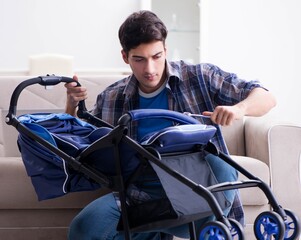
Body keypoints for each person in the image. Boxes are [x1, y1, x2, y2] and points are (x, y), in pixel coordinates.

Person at [65, 10, 276, 240]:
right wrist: (71, 106)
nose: (150, 69)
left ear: (165, 50)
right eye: (139, 59)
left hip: (195, 188)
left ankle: (179, 227)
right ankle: (156, 227)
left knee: (221, 167)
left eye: (156, 56)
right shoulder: (111, 97)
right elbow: (82, 148)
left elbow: (266, 97)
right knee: (83, 229)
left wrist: (239, 109)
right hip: (140, 193)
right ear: (125, 57)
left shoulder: (199, 77)